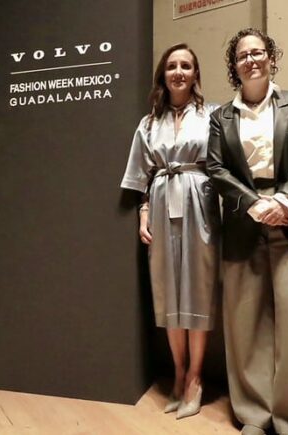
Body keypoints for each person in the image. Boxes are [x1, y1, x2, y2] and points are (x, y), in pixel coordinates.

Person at [206, 29, 288, 435]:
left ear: (271, 58)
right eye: (242, 56)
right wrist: (255, 204)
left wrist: (285, 200)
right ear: (234, 66)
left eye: (258, 52)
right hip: (243, 222)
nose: (251, 60)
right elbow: (216, 167)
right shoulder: (221, 117)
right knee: (245, 322)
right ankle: (255, 415)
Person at [121, 43, 220, 420]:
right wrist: (143, 212)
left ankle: (195, 377)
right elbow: (141, 175)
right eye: (172, 66)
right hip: (161, 202)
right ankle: (178, 372)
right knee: (166, 289)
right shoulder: (148, 123)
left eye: (186, 66)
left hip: (199, 202)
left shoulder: (212, 115)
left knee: (198, 288)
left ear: (195, 74)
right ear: (163, 74)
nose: (179, 71)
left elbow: (222, 167)